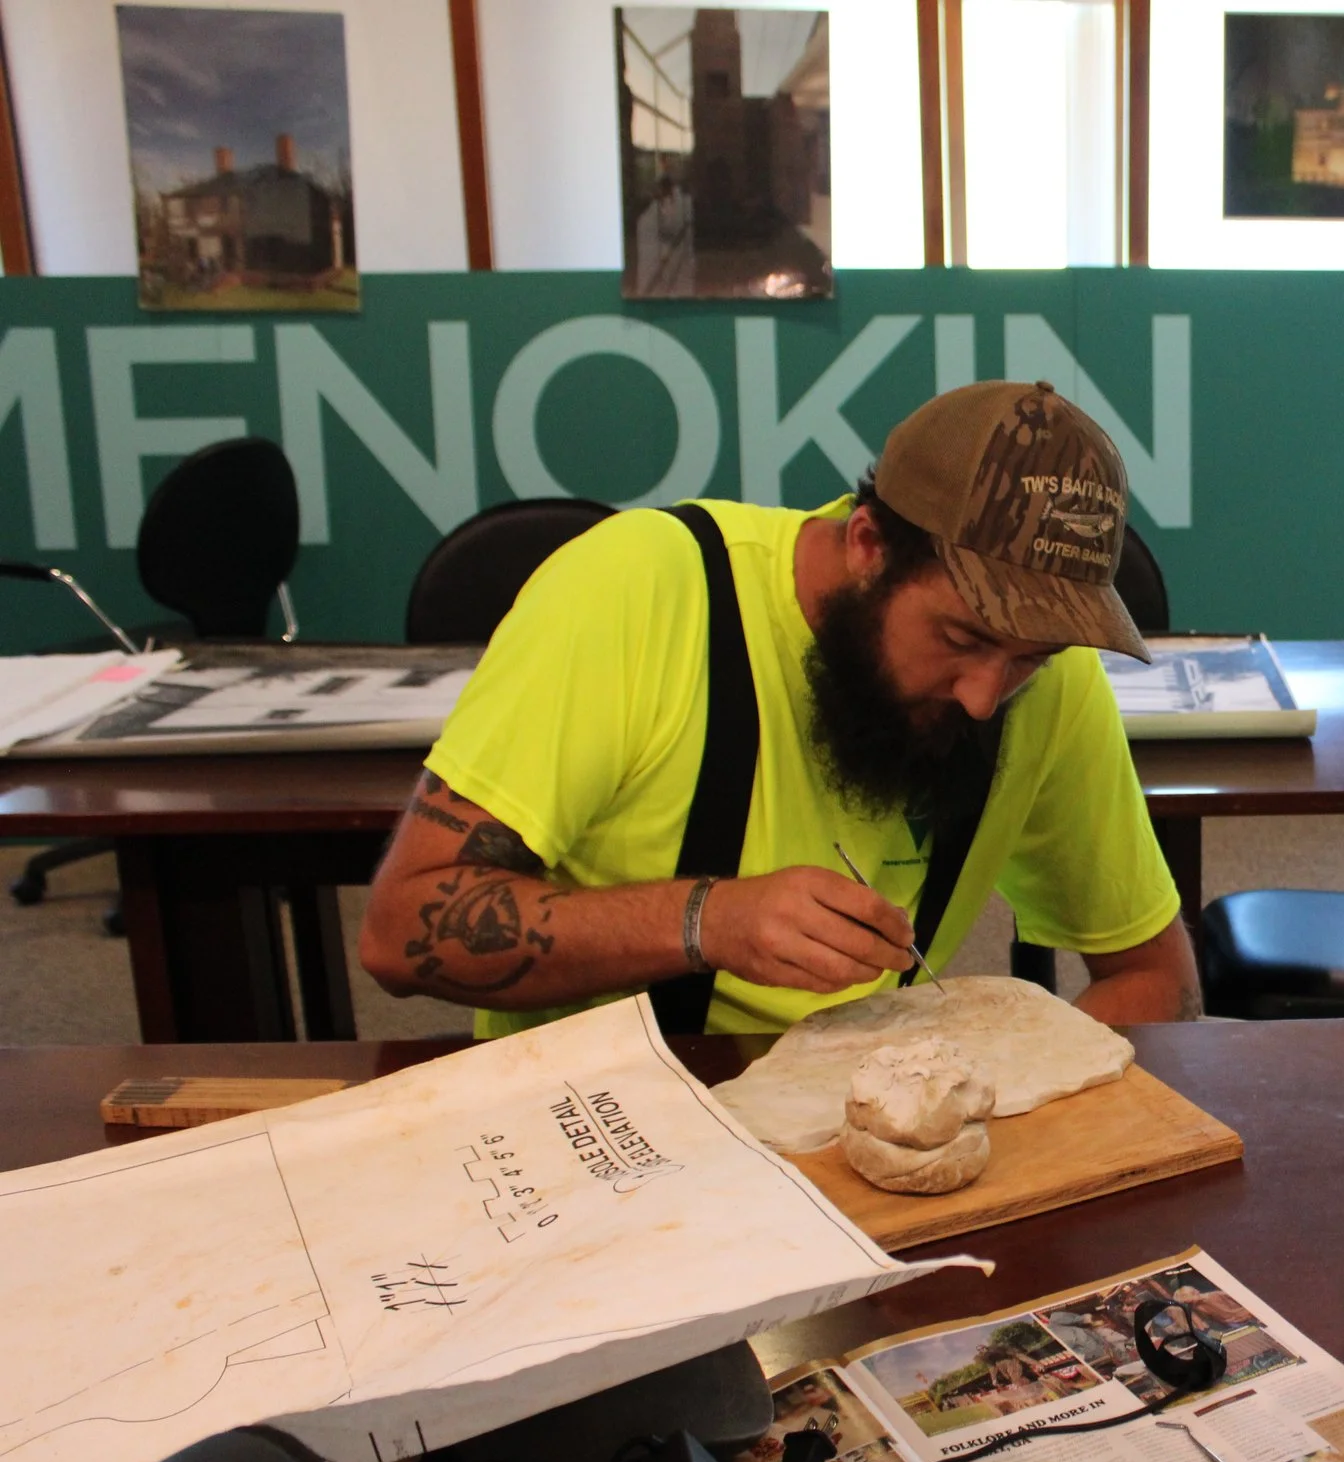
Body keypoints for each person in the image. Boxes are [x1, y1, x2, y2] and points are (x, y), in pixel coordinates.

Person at [362, 380, 1198, 1033]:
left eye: (1029, 658)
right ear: (869, 546)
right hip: (598, 1134)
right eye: (960, 637)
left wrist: (1022, 1100)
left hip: (858, 1150)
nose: (987, 697)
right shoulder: (637, 591)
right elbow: (399, 930)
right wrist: (703, 918)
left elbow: (1154, 975)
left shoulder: (1046, 679)